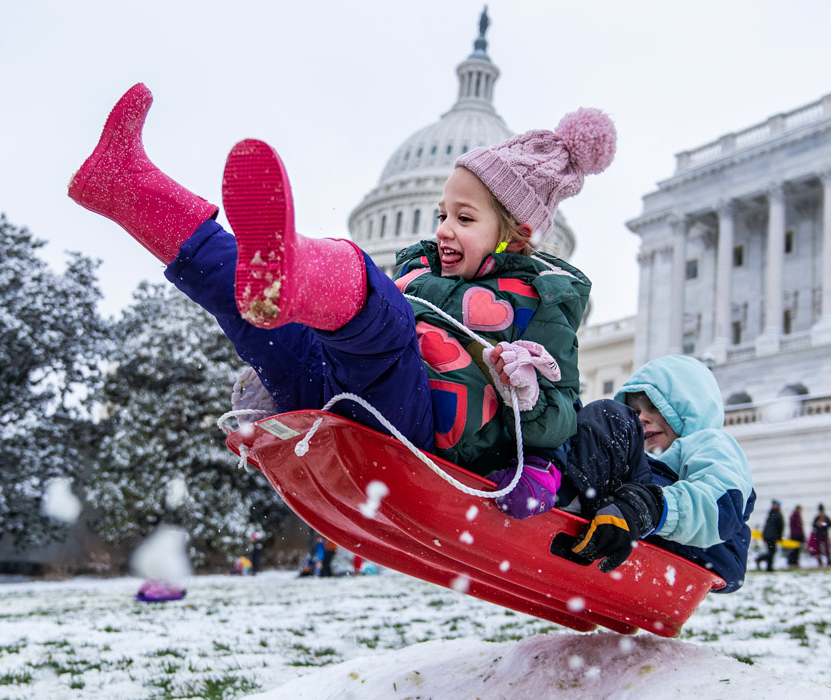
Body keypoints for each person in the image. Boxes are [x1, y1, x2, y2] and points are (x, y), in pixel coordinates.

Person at [68, 84, 614, 517]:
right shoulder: (418, 269)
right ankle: (127, 187)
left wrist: (528, 408)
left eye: (464, 219)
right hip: (335, 389)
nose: (445, 229)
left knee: (382, 317)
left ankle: (301, 271)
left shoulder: (542, 304)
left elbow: (563, 418)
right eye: (442, 214)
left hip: (416, 427)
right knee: (246, 305)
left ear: (515, 235)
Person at [549, 354, 756, 593]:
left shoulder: (709, 443)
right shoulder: (639, 460)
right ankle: (546, 482)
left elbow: (721, 503)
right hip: (637, 531)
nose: (642, 418)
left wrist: (650, 507)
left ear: (690, 409)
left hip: (711, 545)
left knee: (609, 416)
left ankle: (567, 500)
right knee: (575, 416)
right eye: (635, 410)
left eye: (656, 407)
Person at [755, 501, 785, 572]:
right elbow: (780, 527)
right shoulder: (778, 515)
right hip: (772, 536)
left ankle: (769, 567)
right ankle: (760, 559)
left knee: (770, 551)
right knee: (772, 552)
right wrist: (779, 537)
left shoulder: (770, 514)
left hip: (766, 535)